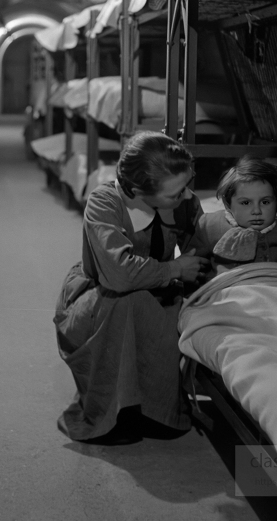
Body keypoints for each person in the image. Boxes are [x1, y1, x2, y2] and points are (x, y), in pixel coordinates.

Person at [54, 132, 211, 443]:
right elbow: (119, 275)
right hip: (99, 299)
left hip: (156, 298)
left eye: (186, 186)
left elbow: (199, 253)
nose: (185, 197)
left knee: (153, 306)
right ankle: (112, 411)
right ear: (139, 190)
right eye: (175, 194)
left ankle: (155, 408)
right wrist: (174, 268)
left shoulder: (182, 201)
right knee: (126, 300)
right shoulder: (104, 202)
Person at [201, 156, 277, 277]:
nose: (256, 211)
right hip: (233, 289)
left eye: (265, 202)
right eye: (245, 203)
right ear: (228, 204)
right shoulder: (210, 225)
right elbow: (195, 269)